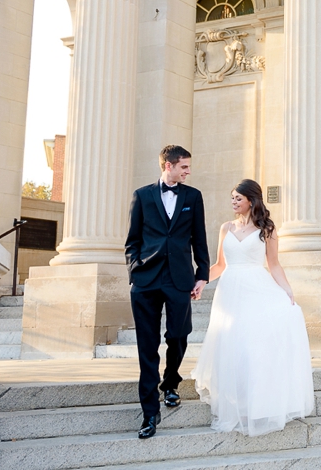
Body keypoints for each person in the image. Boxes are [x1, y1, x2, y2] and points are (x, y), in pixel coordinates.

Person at [191, 179, 315, 436]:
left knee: (252, 345)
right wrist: (201, 282)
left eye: (238, 198)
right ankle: (234, 401)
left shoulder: (267, 228)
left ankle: (255, 403)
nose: (233, 202)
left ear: (251, 200)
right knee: (231, 344)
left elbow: (274, 264)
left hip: (256, 289)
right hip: (229, 291)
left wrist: (287, 289)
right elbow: (220, 265)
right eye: (232, 198)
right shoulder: (226, 228)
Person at [124, 145, 210, 439]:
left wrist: (203, 275)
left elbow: (199, 237)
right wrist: (133, 270)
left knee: (178, 334)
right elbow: (132, 239)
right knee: (147, 348)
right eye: (184, 166)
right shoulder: (142, 195)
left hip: (179, 279)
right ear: (168, 165)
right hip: (146, 279)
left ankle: (170, 383)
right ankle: (150, 413)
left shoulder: (193, 196)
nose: (188, 171)